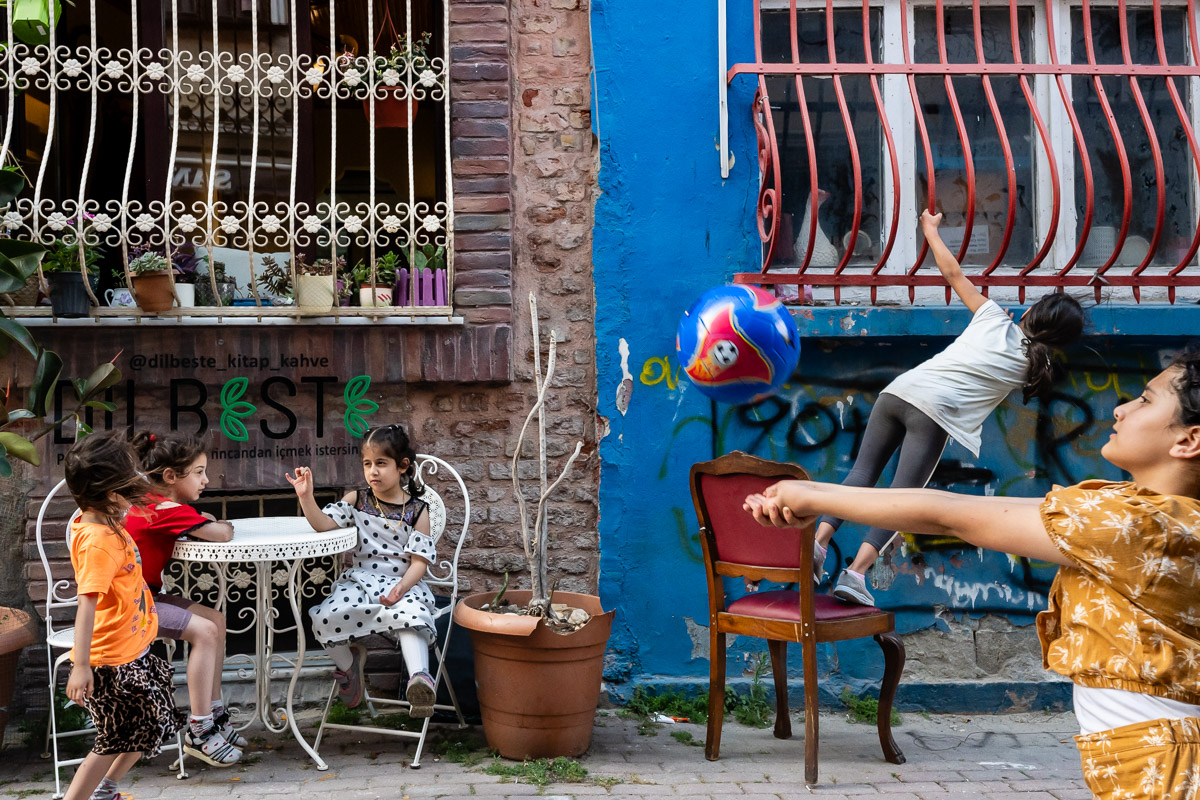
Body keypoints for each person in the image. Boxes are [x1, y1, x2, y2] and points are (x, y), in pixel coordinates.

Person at [744, 344, 1200, 800]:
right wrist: (813, 500)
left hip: (1161, 767)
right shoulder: (1156, 517)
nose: (1120, 409)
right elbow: (975, 512)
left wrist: (809, 495)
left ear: (1188, 440)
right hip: (1153, 754)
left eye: (1144, 399)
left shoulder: (1141, 525)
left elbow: (950, 514)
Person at [812, 210, 1084, 606]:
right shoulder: (1035, 367)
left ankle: (819, 542)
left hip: (897, 391)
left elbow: (953, 273)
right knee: (902, 497)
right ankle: (855, 573)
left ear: (1031, 312)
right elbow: (1035, 364)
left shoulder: (992, 315)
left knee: (862, 471)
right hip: (933, 414)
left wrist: (930, 231)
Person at [60, 431, 186, 800]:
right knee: (112, 739)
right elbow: (87, 604)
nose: (138, 492)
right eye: (130, 485)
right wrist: (80, 665)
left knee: (148, 723)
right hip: (110, 663)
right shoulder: (98, 541)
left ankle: (106, 790)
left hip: (134, 650)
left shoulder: (106, 521)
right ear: (112, 494)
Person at [286, 423, 439, 717]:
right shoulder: (357, 500)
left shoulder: (418, 511)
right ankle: (349, 667)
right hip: (360, 582)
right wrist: (306, 497)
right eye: (367, 464)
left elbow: (419, 561)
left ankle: (420, 680)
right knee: (323, 617)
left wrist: (401, 589)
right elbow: (323, 524)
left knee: (412, 616)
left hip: (402, 582)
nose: (373, 472)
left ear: (402, 466)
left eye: (381, 463)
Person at [124, 432, 244, 768]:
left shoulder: (150, 500)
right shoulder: (165, 508)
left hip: (144, 595)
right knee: (205, 631)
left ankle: (215, 713)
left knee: (216, 620)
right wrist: (217, 522)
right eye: (199, 472)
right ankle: (200, 730)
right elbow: (221, 534)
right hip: (130, 607)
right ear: (170, 477)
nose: (206, 480)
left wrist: (199, 521)